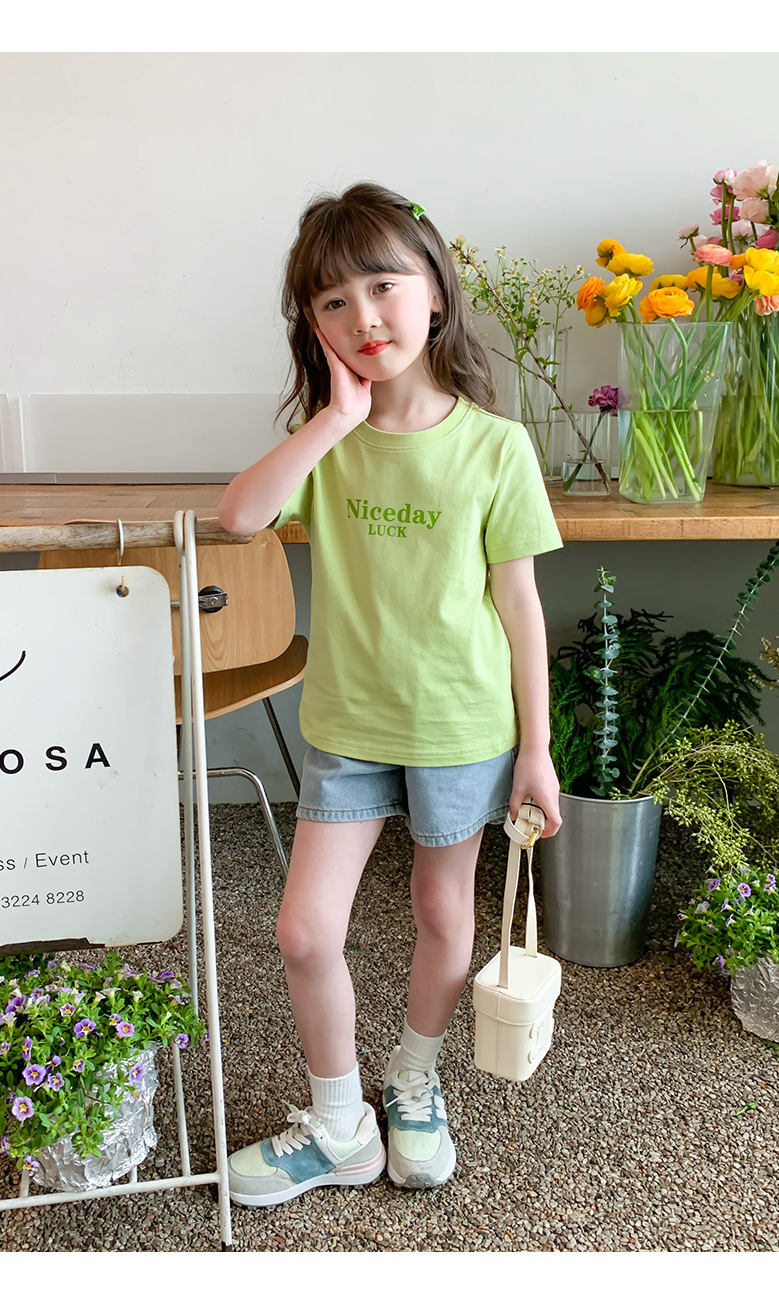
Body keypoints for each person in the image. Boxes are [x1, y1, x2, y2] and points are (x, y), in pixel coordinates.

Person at [217, 181, 563, 1208]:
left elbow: (520, 608)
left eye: (382, 285)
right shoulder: (328, 442)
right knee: (303, 931)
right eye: (332, 301)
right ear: (313, 327)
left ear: (435, 293)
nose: (363, 317)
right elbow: (240, 517)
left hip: (461, 723)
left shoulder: (495, 446)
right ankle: (340, 1125)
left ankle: (413, 1077)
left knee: (440, 910)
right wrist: (337, 418)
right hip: (348, 724)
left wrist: (537, 750)